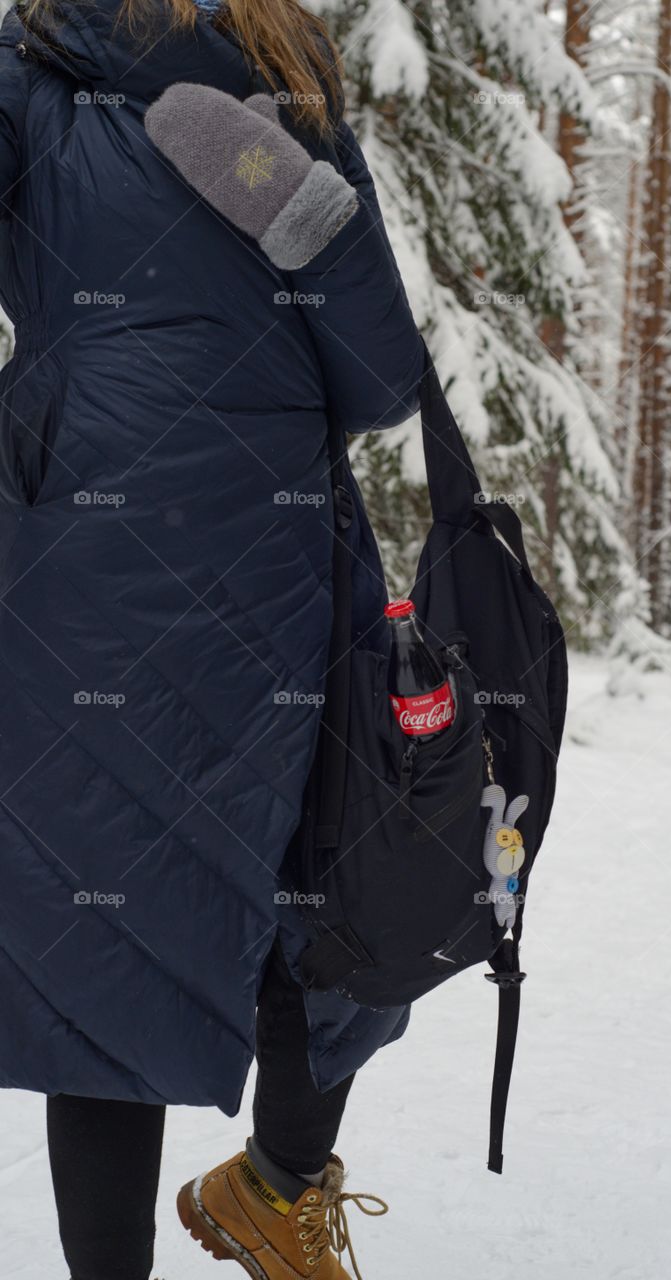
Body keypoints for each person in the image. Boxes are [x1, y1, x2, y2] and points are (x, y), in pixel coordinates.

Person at [0, 0, 425, 1275]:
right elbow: (382, 377)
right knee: (340, 881)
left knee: (111, 929)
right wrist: (297, 217)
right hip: (279, 558)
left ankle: (211, 1225)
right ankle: (280, 1190)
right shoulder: (284, 87)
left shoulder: (36, 88)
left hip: (86, 563)